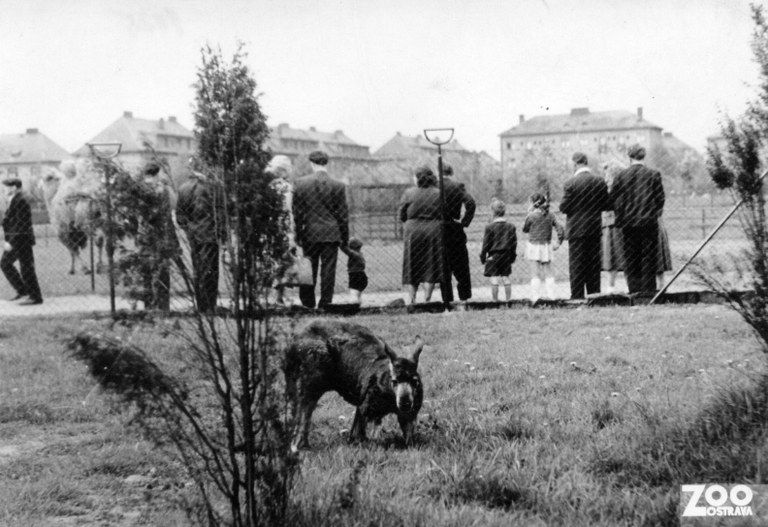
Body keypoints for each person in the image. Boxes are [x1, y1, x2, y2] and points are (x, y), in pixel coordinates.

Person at [292, 150, 349, 309]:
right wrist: (344, 237)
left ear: (311, 163)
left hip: (309, 232)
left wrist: (298, 234)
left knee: (308, 268)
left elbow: (298, 213)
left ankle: (308, 303)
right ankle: (325, 303)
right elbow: (343, 215)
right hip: (331, 233)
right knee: (328, 270)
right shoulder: (338, 185)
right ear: (326, 163)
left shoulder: (301, 184)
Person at [612, 144, 665, 295]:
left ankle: (634, 290)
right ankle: (648, 291)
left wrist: (621, 215)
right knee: (648, 256)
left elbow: (614, 199)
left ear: (629, 157)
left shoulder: (621, 176)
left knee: (631, 257)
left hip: (628, 224)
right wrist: (655, 214)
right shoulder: (653, 174)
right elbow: (660, 199)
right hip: (648, 222)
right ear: (644, 156)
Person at [559, 152, 610, 299]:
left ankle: (577, 296)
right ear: (586, 163)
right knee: (593, 264)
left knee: (576, 265)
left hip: (576, 230)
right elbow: (606, 203)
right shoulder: (599, 181)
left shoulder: (570, 183)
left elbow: (563, 207)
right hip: (594, 228)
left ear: (575, 164)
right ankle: (594, 295)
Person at [176, 163, 225, 313]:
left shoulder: (183, 188)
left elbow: (180, 217)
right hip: (210, 234)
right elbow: (221, 213)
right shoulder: (214, 187)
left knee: (198, 269)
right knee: (211, 270)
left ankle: (201, 304)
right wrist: (222, 234)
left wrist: (189, 230)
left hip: (194, 236)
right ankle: (209, 304)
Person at [137, 161, 180, 311]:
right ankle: (163, 305)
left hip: (144, 235)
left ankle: (149, 305)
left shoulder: (139, 189)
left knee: (146, 271)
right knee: (162, 271)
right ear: (157, 173)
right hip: (162, 235)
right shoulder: (163, 189)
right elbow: (174, 205)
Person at [400, 166, 443, 305]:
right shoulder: (438, 193)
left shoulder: (409, 193)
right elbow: (444, 213)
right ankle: (427, 299)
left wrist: (407, 223)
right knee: (430, 263)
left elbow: (402, 214)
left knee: (412, 263)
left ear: (417, 178)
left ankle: (412, 299)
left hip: (413, 230)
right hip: (433, 230)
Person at [1, 178, 42, 305]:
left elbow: (21, 224)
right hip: (19, 239)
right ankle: (24, 291)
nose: (3, 190)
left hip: (21, 239)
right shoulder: (15, 199)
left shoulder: (20, 200)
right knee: (7, 264)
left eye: (5, 187)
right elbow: (9, 220)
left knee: (26, 268)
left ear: (13, 187)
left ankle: (35, 297)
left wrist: (11, 242)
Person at [440, 163, 476, 305]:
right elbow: (471, 203)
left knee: (444, 267)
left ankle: (447, 300)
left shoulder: (435, 187)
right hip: (455, 229)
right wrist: (464, 222)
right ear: (451, 173)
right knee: (461, 265)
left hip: (439, 229)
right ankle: (464, 298)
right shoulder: (457, 186)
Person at [266, 155, 297, 306]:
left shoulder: (268, 186)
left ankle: (276, 296)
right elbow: (289, 210)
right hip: (285, 228)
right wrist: (292, 232)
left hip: (270, 229)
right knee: (290, 263)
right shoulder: (287, 187)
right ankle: (287, 296)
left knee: (276, 263)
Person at [523, 192, 564, 302]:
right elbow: (560, 228)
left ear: (533, 203)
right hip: (546, 246)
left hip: (534, 246)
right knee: (549, 272)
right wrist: (559, 242)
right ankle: (551, 296)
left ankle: (536, 297)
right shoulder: (551, 215)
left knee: (535, 273)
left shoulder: (531, 216)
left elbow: (525, 229)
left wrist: (529, 212)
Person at [479, 198, 517, 302]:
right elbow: (514, 244)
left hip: (493, 256)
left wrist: (483, 257)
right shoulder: (511, 227)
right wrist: (512, 257)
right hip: (506, 255)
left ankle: (495, 301)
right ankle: (508, 300)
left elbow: (485, 244)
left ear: (492, 212)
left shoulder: (489, 227)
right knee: (506, 277)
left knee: (494, 278)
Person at [601, 161, 624, 293]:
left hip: (611, 225)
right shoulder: (625, 189)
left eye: (607, 175)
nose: (605, 178)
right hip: (620, 224)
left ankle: (610, 288)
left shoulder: (610, 191)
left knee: (610, 258)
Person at [341, 237, 367, 304]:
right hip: (362, 275)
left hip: (355, 275)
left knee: (353, 290)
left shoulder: (354, 255)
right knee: (357, 291)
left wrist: (341, 244)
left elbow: (346, 250)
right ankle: (358, 301)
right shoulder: (360, 254)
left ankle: (353, 302)